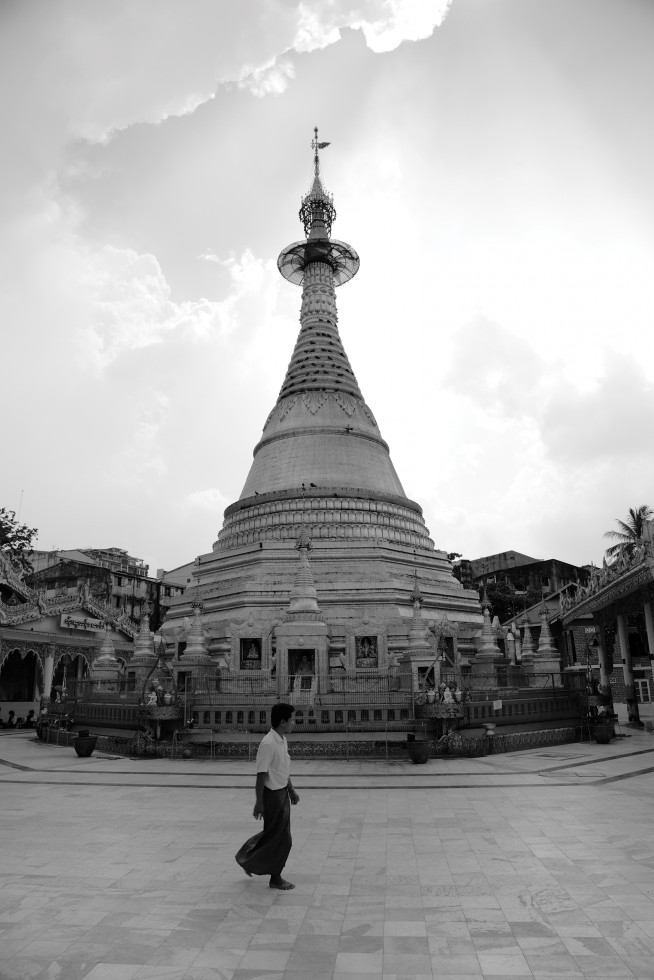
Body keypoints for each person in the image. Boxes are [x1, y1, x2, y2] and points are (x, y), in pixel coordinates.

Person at [235, 702, 300, 890]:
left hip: (282, 794)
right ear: (282, 722)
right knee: (281, 839)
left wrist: (291, 790)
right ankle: (275, 876)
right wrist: (259, 802)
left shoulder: (282, 740)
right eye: (292, 719)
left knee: (274, 836)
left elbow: (281, 769)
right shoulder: (268, 743)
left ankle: (247, 858)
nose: (294, 723)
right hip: (272, 796)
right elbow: (261, 774)